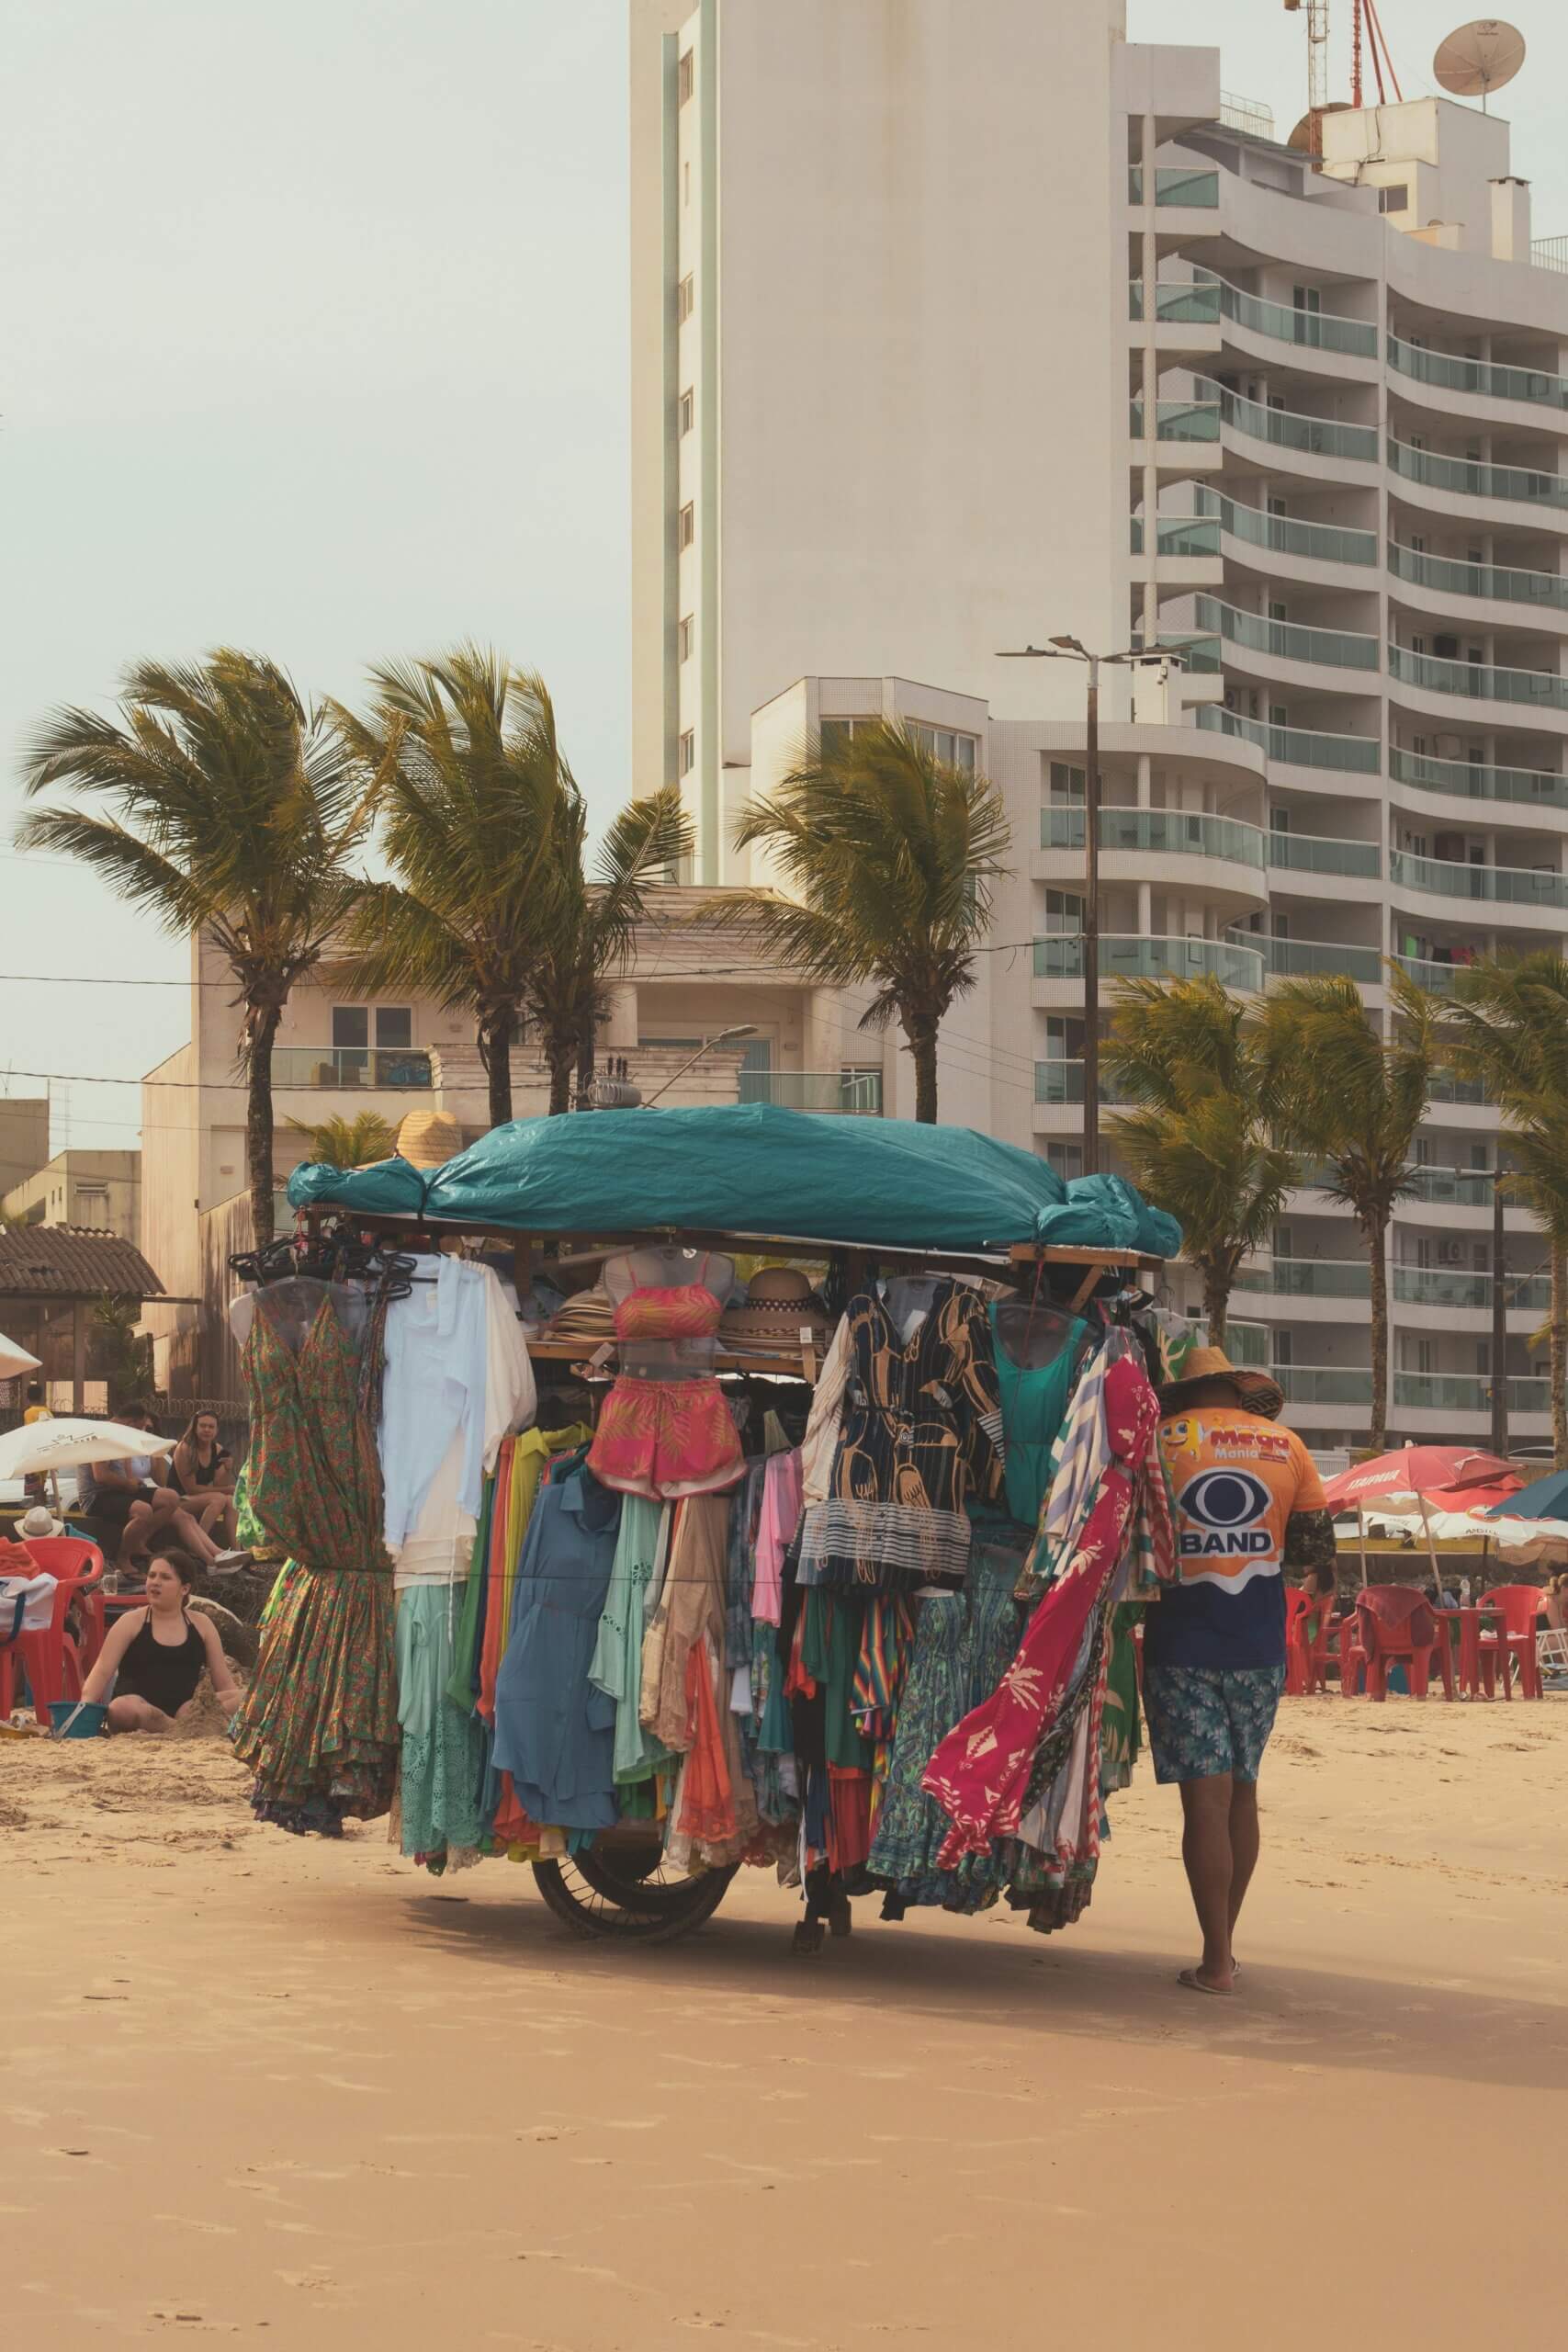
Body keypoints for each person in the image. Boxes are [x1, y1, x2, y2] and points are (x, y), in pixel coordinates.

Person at [1143, 1346, 1336, 1997]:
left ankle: (1215, 1962)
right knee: (1243, 1791)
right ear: (1233, 1389)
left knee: (1204, 1800)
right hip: (1258, 1642)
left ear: (1184, 1395)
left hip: (1180, 1639)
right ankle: (1225, 1950)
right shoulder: (1286, 1445)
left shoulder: (1158, 1441)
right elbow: (1311, 1551)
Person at [79, 1550, 242, 1732]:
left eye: (165, 1577)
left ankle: (180, 1725)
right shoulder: (130, 1621)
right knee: (120, 1708)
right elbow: (102, 1671)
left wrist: (238, 1702)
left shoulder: (202, 1624)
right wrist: (81, 1710)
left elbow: (224, 1683)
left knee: (249, 1697)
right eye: (151, 1575)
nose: (155, 1582)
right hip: (141, 1711)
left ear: (185, 1588)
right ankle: (176, 1728)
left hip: (188, 1710)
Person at [81, 1403, 238, 1576]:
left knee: (170, 1497)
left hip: (119, 1491)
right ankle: (123, 1558)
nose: (141, 1432)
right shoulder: (103, 1434)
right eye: (141, 1427)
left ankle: (215, 1556)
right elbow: (100, 1475)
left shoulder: (122, 1436)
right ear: (131, 1423)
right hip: (98, 1495)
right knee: (143, 1510)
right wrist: (128, 1484)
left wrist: (151, 1461)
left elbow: (143, 1478)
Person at [167, 1411, 240, 1552]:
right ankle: (198, 1547)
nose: (207, 1430)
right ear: (195, 1428)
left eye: (211, 1427)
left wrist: (227, 1469)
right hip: (178, 1500)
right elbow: (191, 1489)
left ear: (217, 1430)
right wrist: (226, 1489)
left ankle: (237, 1551)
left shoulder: (217, 1449)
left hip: (197, 1499)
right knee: (218, 1498)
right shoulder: (184, 1448)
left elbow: (219, 1484)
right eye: (203, 1426)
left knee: (231, 1501)